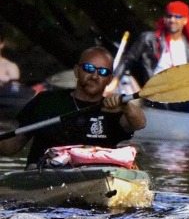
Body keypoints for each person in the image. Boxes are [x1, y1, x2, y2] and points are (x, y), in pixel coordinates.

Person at [0, 47, 146, 168]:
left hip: (95, 180)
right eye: (88, 68)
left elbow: (140, 123)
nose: (94, 76)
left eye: (102, 72)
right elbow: (11, 146)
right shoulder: (46, 101)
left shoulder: (114, 109)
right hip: (44, 177)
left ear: (109, 80)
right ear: (76, 71)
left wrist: (126, 107)